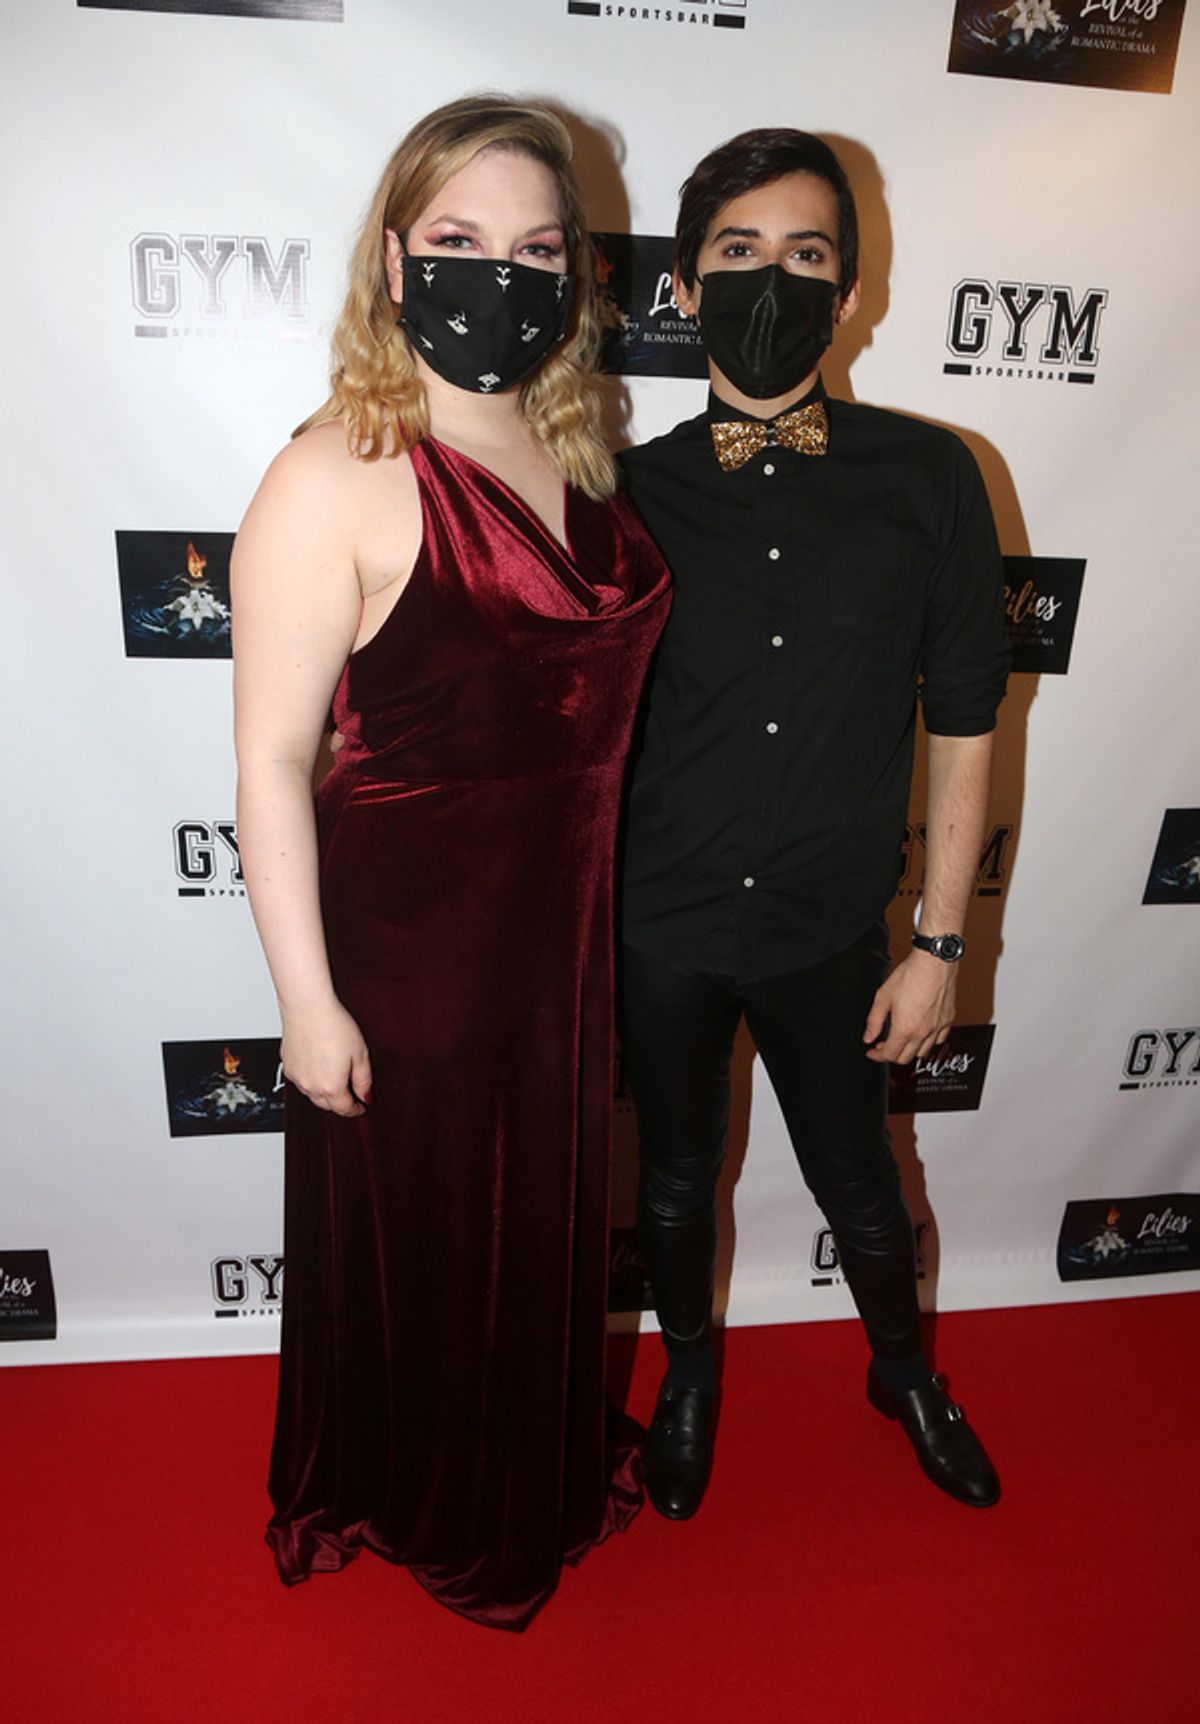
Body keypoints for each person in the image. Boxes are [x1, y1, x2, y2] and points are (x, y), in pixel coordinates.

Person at [231, 95, 670, 1629]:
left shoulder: (574, 441)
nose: (505, 275)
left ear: (575, 275)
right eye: (464, 242)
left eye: (539, 248)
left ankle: (527, 1468)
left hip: (558, 949)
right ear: (398, 257)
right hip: (408, 958)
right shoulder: (335, 472)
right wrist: (308, 1005)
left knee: (534, 1231)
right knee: (430, 1240)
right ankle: (427, 1492)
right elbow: (273, 766)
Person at [617, 129, 1009, 1520]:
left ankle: (902, 1371)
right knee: (673, 1179)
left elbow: (965, 723)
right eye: (736, 254)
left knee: (863, 1181)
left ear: (847, 295)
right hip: (657, 921)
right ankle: (690, 1374)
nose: (771, 281)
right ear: (681, 288)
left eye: (806, 255)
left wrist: (942, 944)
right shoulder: (620, 495)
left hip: (833, 925)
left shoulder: (932, 479)